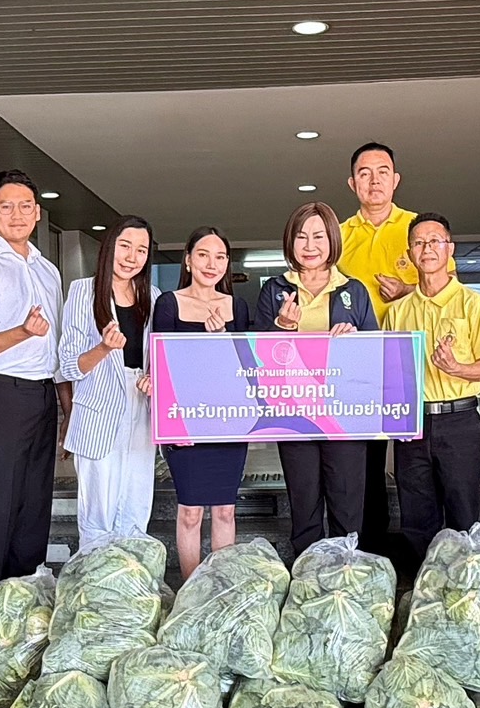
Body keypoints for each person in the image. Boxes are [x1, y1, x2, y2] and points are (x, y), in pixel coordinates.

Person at [336, 142, 454, 552]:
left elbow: (446, 289)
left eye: (382, 171)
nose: (374, 180)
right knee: (362, 460)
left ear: (396, 179)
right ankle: (367, 547)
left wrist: (408, 290)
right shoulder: (339, 236)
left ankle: (431, 549)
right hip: (355, 366)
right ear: (352, 183)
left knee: (416, 462)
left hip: (412, 365)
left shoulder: (418, 231)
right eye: (364, 173)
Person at [0, 170, 68, 592]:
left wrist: (65, 408)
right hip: (3, 390)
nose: (16, 214)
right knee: (3, 498)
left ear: (38, 213)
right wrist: (22, 331)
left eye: (25, 206)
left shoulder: (47, 269)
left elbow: (55, 346)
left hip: (41, 393)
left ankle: (26, 598)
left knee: (36, 501)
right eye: (6, 206)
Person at [254, 202, 378, 553]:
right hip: (293, 415)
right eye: (302, 236)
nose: (310, 245)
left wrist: (354, 340)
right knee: (304, 504)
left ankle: (347, 581)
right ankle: (308, 582)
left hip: (344, 416)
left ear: (332, 240)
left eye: (319, 236)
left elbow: (375, 355)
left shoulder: (353, 290)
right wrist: (281, 327)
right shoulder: (274, 289)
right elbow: (254, 358)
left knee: (347, 506)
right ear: (290, 242)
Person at [381, 213, 480, 573]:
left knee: (462, 511)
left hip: (460, 420)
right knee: (416, 516)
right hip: (412, 425)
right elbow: (386, 373)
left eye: (435, 241)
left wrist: (457, 368)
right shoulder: (398, 311)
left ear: (450, 249)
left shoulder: (471, 303)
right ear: (410, 253)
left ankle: (464, 587)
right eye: (419, 242)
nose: (427, 248)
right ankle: (424, 591)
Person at [153, 226, 252, 580]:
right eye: (203, 255)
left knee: (225, 510)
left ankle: (218, 587)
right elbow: (163, 366)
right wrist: (171, 424)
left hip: (228, 420)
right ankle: (191, 590)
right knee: (190, 512)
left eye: (221, 257)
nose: (212, 264)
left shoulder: (236, 307)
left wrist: (223, 339)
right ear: (188, 260)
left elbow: (245, 368)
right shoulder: (169, 303)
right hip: (186, 420)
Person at [59, 216, 159, 550]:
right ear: (109, 247)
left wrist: (155, 379)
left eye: (142, 250)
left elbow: (161, 356)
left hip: (141, 404)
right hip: (98, 407)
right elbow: (69, 365)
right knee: (98, 508)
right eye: (125, 246)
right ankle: (94, 586)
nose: (132, 256)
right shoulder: (83, 291)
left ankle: (131, 583)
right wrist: (103, 348)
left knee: (137, 498)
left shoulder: (154, 296)